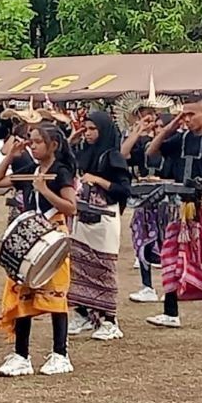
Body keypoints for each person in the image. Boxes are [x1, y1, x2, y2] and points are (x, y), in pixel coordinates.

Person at [0, 124, 78, 376]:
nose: (33, 145)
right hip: (30, 237)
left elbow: (71, 208)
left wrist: (44, 190)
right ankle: (21, 355)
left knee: (55, 296)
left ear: (53, 145)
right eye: (31, 141)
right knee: (22, 293)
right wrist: (10, 156)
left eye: (38, 141)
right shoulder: (31, 170)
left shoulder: (61, 172)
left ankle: (60, 354)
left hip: (53, 235)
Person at [145, 96, 202, 330]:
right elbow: (151, 151)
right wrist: (170, 126)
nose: (187, 119)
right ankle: (171, 312)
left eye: (191, 114)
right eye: (184, 114)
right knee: (172, 255)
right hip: (178, 204)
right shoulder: (181, 138)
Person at [67, 110, 133, 340]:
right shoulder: (86, 152)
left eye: (93, 129)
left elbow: (124, 189)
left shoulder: (112, 156)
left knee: (103, 266)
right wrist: (71, 141)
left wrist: (98, 180)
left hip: (104, 218)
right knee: (80, 264)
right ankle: (83, 312)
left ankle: (109, 319)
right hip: (84, 217)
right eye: (86, 128)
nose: (88, 133)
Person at [122, 109, 171, 303]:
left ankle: (170, 287)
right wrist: (138, 130)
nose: (157, 130)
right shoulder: (143, 147)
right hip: (146, 202)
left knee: (169, 245)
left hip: (167, 203)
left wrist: (161, 180)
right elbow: (124, 153)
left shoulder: (173, 148)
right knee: (142, 241)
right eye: (155, 127)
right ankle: (147, 286)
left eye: (161, 127)